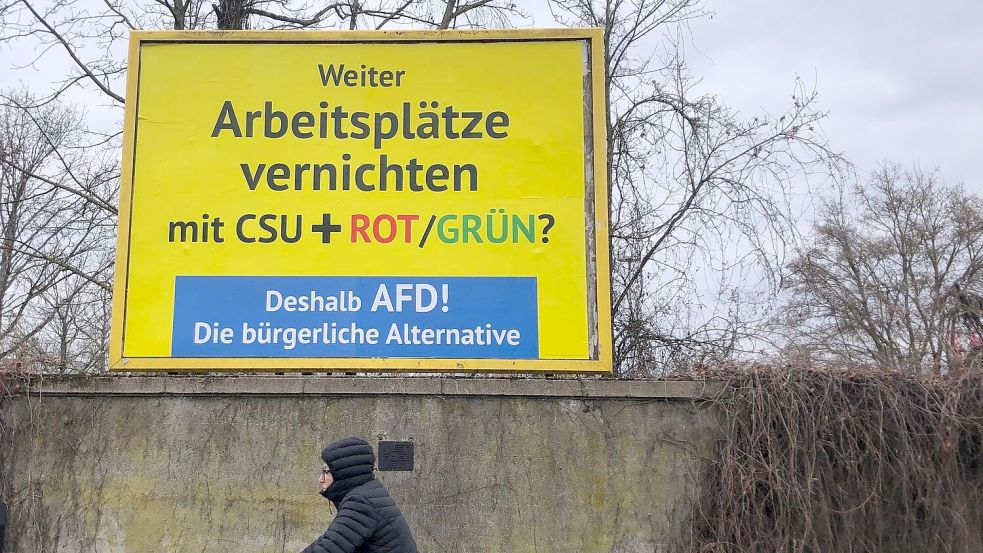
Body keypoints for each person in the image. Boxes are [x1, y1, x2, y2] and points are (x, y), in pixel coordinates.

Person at [303, 437, 419, 553]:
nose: (320, 479)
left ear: (344, 473)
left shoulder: (360, 502)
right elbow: (328, 541)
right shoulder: (368, 493)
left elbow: (329, 547)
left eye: (326, 472)